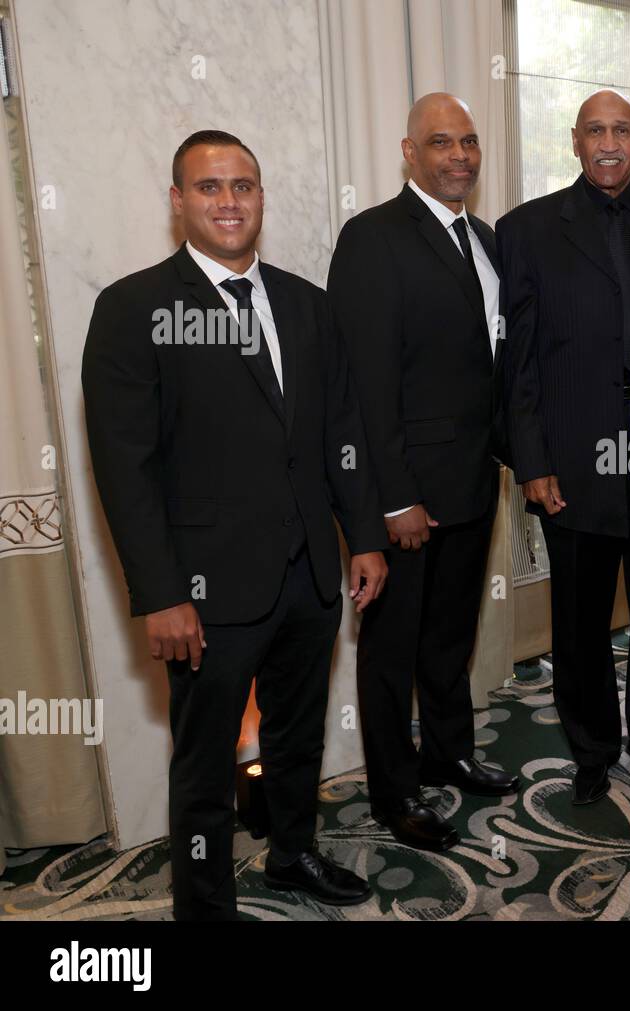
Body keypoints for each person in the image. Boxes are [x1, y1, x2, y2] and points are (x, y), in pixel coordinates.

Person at [82, 131, 389, 919]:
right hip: (203, 590)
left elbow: (340, 431)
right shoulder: (133, 308)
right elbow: (126, 469)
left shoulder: (305, 303)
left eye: (243, 186)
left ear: (261, 196)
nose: (229, 201)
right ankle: (205, 903)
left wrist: (362, 535)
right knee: (205, 763)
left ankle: (292, 853)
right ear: (178, 200)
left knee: (297, 736)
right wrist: (160, 593)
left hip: (310, 578)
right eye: (210, 187)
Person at [327, 94, 519, 852]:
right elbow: (366, 384)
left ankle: (448, 750)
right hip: (408, 497)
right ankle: (394, 792)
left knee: (449, 638)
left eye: (469, 141)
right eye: (442, 142)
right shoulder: (372, 238)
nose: (460, 156)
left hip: (474, 482)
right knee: (391, 650)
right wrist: (393, 500)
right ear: (410, 152)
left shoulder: (487, 238)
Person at [498, 90, 630, 804]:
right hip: (572, 465)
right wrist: (532, 461)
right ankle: (590, 748)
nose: (608, 142)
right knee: (578, 623)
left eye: (621, 130)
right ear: (573, 141)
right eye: (595, 131)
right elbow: (517, 361)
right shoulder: (525, 229)